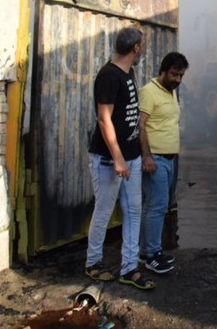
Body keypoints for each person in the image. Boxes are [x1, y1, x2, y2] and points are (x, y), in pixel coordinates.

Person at [85, 27, 155, 290]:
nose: (142, 50)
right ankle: (93, 263)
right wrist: (118, 158)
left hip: (132, 157)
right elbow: (104, 119)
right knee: (103, 210)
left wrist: (137, 154)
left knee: (134, 211)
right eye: (142, 45)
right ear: (136, 47)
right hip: (108, 159)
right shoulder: (109, 75)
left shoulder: (129, 73)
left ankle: (129, 268)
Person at [138, 51, 188, 275]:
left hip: (170, 159)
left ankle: (145, 252)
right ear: (164, 71)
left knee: (156, 206)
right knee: (156, 207)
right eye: (174, 74)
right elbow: (141, 125)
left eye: (181, 75)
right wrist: (147, 156)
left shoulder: (171, 92)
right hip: (156, 159)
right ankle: (152, 255)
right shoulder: (149, 92)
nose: (177, 79)